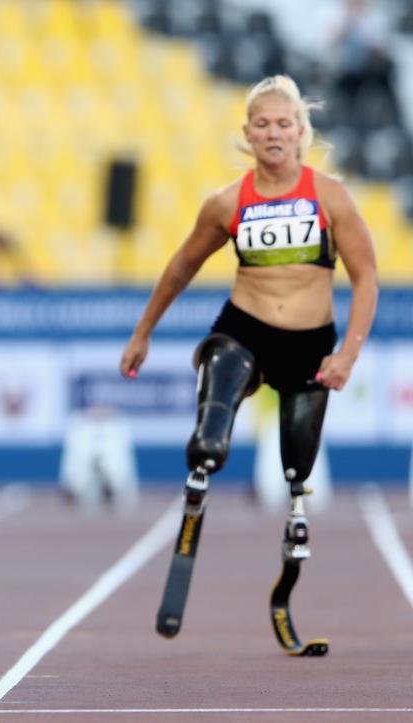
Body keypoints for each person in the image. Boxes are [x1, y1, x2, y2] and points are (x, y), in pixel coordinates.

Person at [120, 75, 378, 652]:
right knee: (213, 427)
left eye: (283, 123)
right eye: (261, 124)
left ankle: (292, 536)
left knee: (296, 474)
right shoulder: (226, 202)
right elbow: (180, 267)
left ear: (302, 133)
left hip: (312, 344)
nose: (273, 133)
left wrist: (348, 354)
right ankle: (200, 472)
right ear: (247, 134)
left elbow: (366, 277)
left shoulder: (330, 196)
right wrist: (143, 333)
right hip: (245, 328)